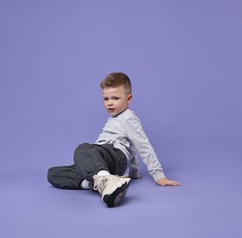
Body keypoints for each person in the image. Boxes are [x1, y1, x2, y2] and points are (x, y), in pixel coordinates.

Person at [47, 72, 181, 208]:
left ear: (128, 99)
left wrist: (159, 176)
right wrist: (134, 173)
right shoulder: (115, 118)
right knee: (53, 174)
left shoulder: (128, 118)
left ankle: (105, 179)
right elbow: (131, 145)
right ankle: (100, 184)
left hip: (114, 155)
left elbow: (141, 145)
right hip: (101, 161)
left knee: (82, 149)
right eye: (106, 99)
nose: (110, 103)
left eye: (115, 98)